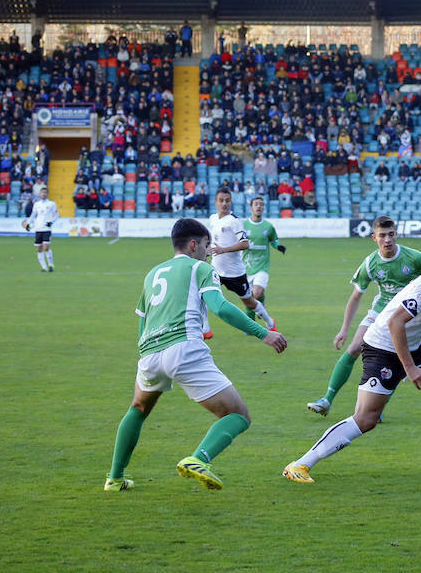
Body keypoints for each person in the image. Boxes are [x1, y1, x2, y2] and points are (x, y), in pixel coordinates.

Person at [285, 234, 421, 484]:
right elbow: (395, 321)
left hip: (411, 343)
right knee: (366, 419)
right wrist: (409, 368)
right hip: (383, 346)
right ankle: (299, 464)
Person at [104, 218, 287, 492]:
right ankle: (198, 459)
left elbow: (143, 320)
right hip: (185, 349)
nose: (208, 250)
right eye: (205, 245)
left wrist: (145, 354)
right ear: (193, 244)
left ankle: (115, 479)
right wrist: (264, 333)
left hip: (150, 352)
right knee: (238, 416)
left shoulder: (152, 273)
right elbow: (220, 307)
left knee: (138, 409)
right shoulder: (200, 268)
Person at [307, 215, 421, 416]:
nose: (387, 240)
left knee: (395, 361)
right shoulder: (370, 263)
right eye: (382, 236)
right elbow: (355, 297)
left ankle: (376, 410)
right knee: (354, 348)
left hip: (406, 316)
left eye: (390, 235)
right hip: (379, 311)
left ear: (396, 235)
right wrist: (344, 329)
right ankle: (327, 399)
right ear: (374, 238)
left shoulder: (413, 258)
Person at [208, 188, 278, 330]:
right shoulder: (213, 218)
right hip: (216, 269)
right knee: (203, 296)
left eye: (227, 200)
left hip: (235, 273)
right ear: (215, 202)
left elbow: (245, 244)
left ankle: (270, 322)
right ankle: (205, 330)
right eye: (221, 200)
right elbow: (213, 240)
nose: (224, 203)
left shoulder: (234, 221)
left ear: (231, 202)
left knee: (250, 303)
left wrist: (223, 250)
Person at [242, 196, 286, 321]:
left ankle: (261, 301)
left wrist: (278, 246)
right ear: (251, 207)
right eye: (256, 204)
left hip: (262, 266)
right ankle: (250, 324)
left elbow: (274, 240)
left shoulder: (268, 226)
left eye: (261, 204)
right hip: (246, 266)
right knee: (248, 297)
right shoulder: (243, 225)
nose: (259, 206)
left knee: (256, 293)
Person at [23, 187, 59, 272]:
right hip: (38, 229)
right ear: (40, 194)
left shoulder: (52, 204)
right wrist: (29, 224)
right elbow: (33, 215)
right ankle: (44, 267)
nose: (43, 194)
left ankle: (51, 264)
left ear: (47, 194)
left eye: (45, 192)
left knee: (46, 247)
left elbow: (57, 215)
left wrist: (51, 222)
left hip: (46, 228)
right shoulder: (36, 204)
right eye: (42, 192)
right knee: (39, 249)